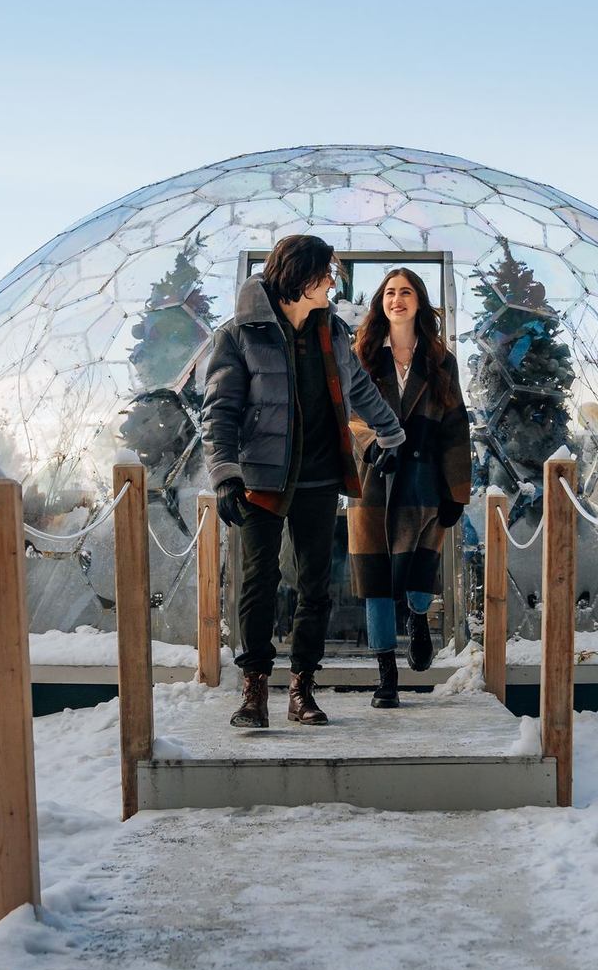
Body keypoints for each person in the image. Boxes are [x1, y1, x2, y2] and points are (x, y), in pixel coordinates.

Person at [200, 234, 406, 728]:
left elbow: (358, 387)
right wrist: (225, 474)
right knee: (259, 583)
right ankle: (253, 690)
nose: (333, 282)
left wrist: (392, 434)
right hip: (262, 479)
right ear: (301, 275)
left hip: (318, 477)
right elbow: (219, 410)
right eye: (327, 273)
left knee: (315, 587)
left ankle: (302, 688)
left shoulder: (331, 332)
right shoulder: (240, 335)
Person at [345, 267, 470, 708]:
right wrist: (371, 445)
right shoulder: (361, 356)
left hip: (423, 479)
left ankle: (418, 615)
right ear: (381, 302)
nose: (397, 299)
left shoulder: (441, 362)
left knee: (420, 568)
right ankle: (386, 677)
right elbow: (349, 416)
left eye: (406, 292)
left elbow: (456, 428)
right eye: (390, 292)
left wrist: (457, 491)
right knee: (375, 580)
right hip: (374, 480)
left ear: (419, 302)